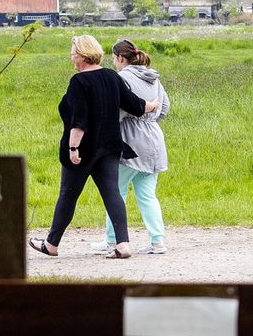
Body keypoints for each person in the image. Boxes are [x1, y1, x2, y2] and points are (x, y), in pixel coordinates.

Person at [30, 35, 159, 260]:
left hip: (84, 149)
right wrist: (153, 104)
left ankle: (51, 244)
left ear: (82, 55)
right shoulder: (111, 76)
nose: (71, 57)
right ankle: (123, 244)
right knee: (112, 193)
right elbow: (135, 104)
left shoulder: (79, 82)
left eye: (72, 52)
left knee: (68, 195)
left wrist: (73, 149)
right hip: (109, 147)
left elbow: (79, 121)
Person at [90, 39, 170, 255]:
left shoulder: (122, 78)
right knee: (147, 195)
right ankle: (157, 242)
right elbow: (164, 108)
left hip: (131, 140)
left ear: (120, 58)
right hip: (154, 138)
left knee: (115, 191)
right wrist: (149, 120)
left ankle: (112, 240)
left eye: (113, 58)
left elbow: (119, 110)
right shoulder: (153, 77)